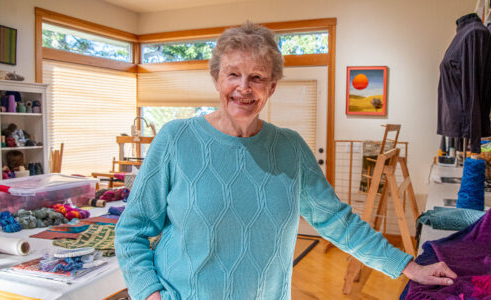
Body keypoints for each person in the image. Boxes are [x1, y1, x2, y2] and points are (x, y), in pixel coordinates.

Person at [114, 21, 457, 300]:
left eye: (257, 77)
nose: (243, 88)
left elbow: (337, 221)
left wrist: (408, 267)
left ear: (272, 87)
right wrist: (149, 294)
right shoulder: (176, 139)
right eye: (233, 74)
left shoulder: (289, 148)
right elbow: (131, 230)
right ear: (217, 78)